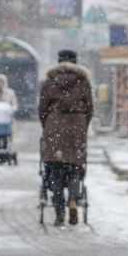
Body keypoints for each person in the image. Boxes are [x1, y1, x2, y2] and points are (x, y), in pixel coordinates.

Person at [38, 49, 93, 226]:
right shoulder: (83, 81)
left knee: (56, 170)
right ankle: (74, 200)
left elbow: (42, 108)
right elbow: (89, 108)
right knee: (75, 166)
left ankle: (59, 213)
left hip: (54, 125)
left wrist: (48, 125)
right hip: (77, 125)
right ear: (75, 62)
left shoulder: (50, 80)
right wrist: (83, 124)